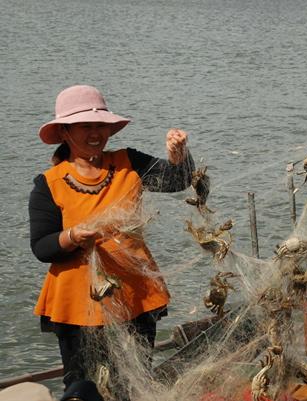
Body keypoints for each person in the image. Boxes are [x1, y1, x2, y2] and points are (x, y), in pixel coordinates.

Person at [29, 85, 194, 393]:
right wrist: (73, 236)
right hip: (77, 303)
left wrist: (178, 155)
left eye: (100, 126)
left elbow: (179, 180)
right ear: (65, 132)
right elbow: (41, 246)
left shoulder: (129, 162)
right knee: (82, 387)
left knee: (134, 381)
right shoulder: (48, 183)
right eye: (86, 126)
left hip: (135, 295)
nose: (96, 133)